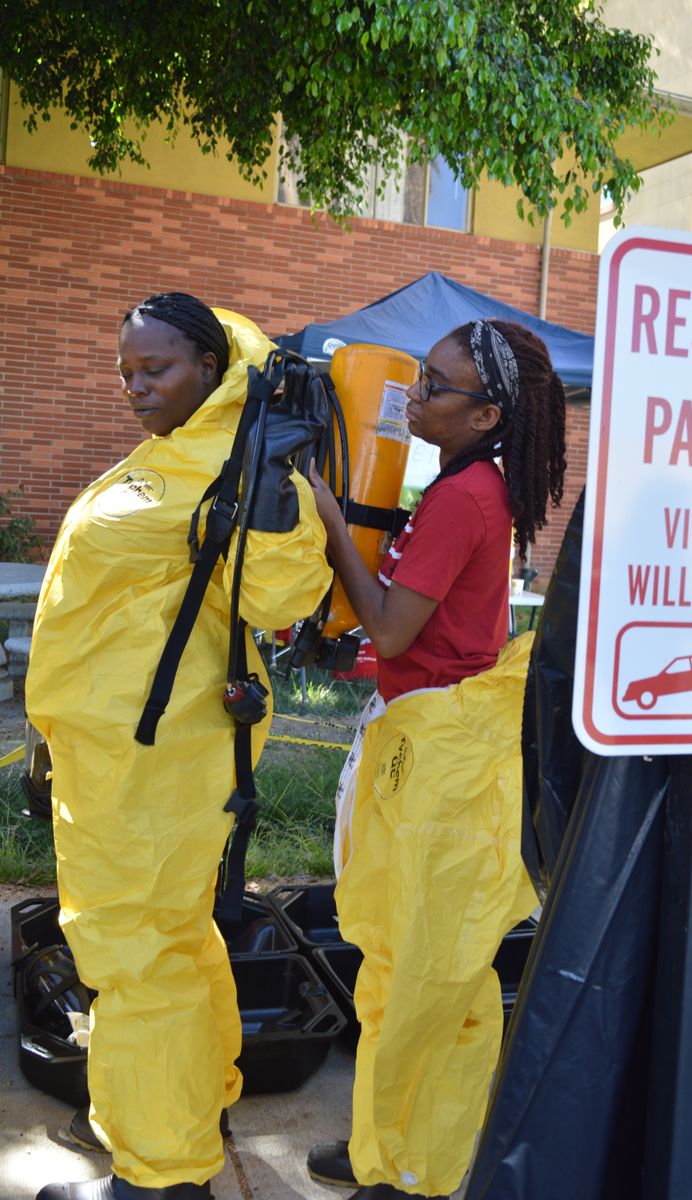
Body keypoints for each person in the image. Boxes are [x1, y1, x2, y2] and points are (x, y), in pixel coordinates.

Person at [26, 293, 332, 1200]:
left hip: (156, 766)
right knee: (169, 946)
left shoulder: (241, 465)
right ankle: (176, 1125)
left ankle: (159, 1178)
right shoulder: (180, 453)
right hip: (112, 759)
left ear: (208, 365)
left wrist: (276, 502)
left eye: (154, 369)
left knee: (138, 959)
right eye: (125, 372)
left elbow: (281, 597)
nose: (135, 387)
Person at [305, 319, 567, 1200]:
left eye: (434, 384)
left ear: (486, 412)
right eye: (418, 375)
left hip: (444, 756)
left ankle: (407, 1165)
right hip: (432, 735)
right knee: (402, 960)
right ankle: (389, 1133)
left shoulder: (466, 498)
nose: (413, 394)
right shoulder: (464, 483)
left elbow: (389, 627)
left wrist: (334, 524)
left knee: (427, 970)